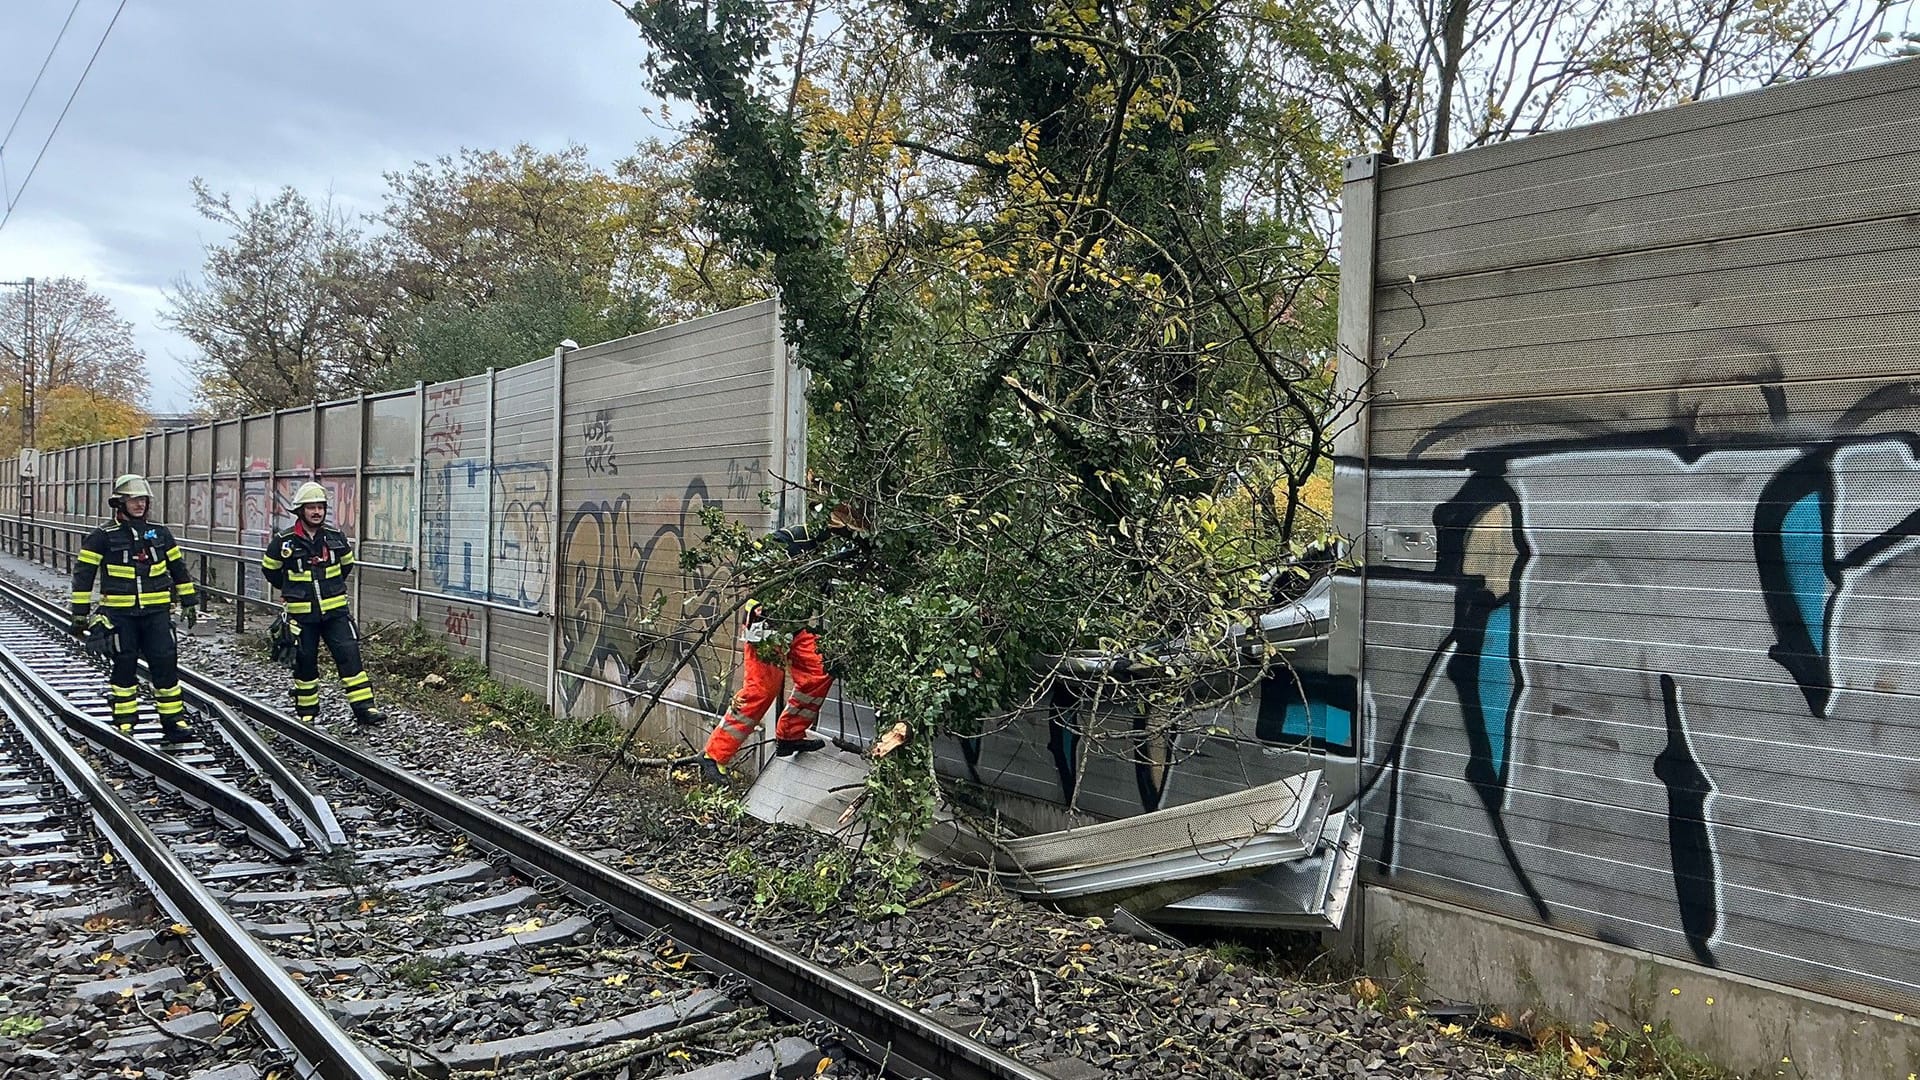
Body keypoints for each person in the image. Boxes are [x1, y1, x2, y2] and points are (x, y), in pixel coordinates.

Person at [701, 503, 870, 783]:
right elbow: (755, 560)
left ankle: (790, 735)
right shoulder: (793, 537)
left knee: (819, 671)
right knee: (760, 691)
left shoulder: (828, 547)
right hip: (766, 624)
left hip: (796, 624)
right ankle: (714, 756)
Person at [69, 474, 198, 742]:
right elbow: (83, 575)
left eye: (143, 500)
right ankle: (125, 721)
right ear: (119, 503)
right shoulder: (102, 536)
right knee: (124, 665)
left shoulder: (160, 533)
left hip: (157, 614)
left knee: (165, 663)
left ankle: (173, 721)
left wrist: (189, 601)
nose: (140, 505)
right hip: (120, 616)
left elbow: (178, 568)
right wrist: (80, 613)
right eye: (133, 500)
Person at [261, 482, 385, 726]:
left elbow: (346, 566)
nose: (317, 512)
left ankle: (365, 709)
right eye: (311, 507)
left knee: (350, 657)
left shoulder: (335, 538)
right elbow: (270, 570)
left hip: (335, 613)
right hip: (301, 617)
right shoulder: (284, 542)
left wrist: (331, 589)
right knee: (305, 663)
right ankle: (307, 713)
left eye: (320, 507)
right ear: (301, 511)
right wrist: (293, 590)